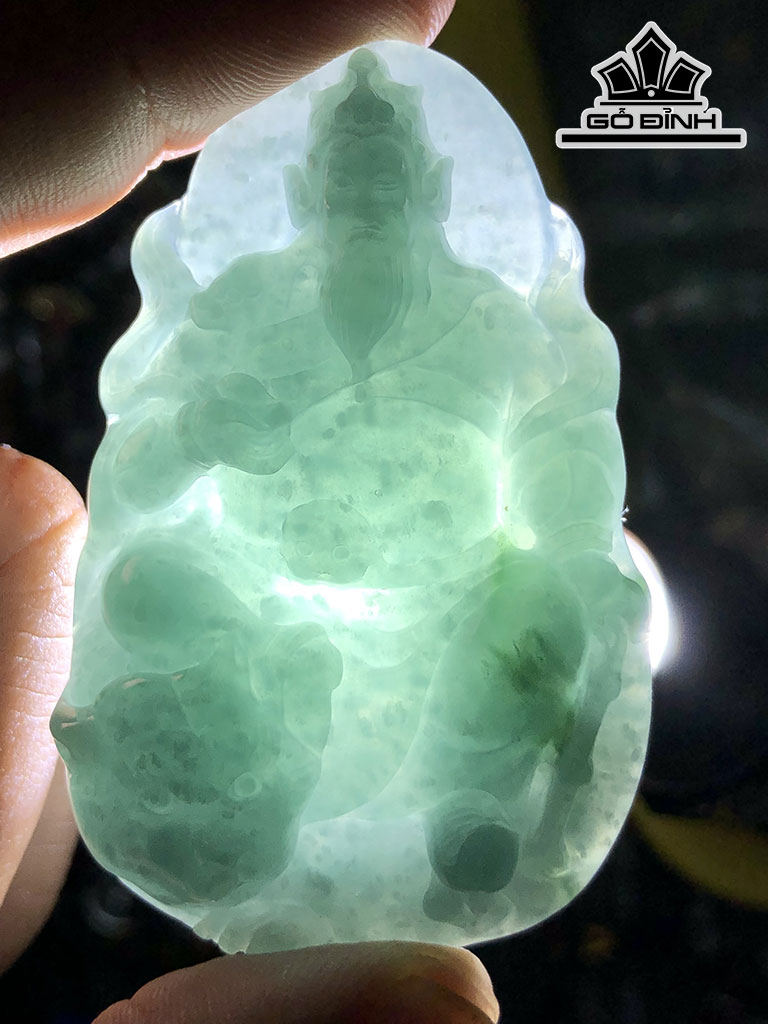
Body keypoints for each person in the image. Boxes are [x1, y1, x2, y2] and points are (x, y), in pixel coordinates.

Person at [0, 2, 502, 1021]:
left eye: (389, 182)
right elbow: (142, 472)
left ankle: (441, 810)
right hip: (253, 615)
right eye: (345, 182)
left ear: (439, 188)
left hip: (422, 629)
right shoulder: (237, 302)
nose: (365, 206)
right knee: (140, 584)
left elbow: (560, 468)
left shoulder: (492, 320)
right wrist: (203, 432)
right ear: (303, 189)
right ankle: (249, 771)